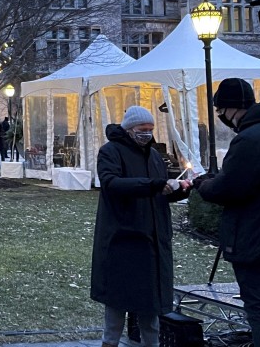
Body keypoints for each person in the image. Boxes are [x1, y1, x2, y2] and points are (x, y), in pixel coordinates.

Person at [91, 105, 191, 347]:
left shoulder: (155, 156)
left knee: (151, 305)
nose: (147, 133)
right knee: (116, 304)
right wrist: (155, 185)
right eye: (142, 129)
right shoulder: (110, 152)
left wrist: (179, 189)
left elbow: (159, 192)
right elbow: (112, 183)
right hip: (123, 237)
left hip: (152, 239)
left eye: (150, 129)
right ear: (129, 130)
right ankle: (109, 343)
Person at [194, 78, 260, 346]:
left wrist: (204, 185)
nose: (221, 118)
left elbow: (231, 187)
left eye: (221, 111)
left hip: (258, 239)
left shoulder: (251, 139)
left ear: (233, 108)